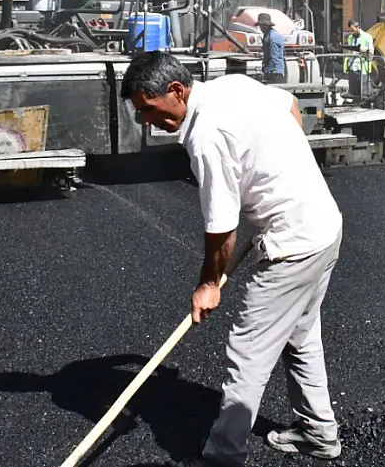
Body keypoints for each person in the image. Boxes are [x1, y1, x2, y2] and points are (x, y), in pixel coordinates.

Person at [120, 52, 343, 467]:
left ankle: (223, 456)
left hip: (293, 242)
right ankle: (317, 433)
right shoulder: (232, 86)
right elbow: (289, 106)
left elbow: (222, 225)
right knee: (300, 335)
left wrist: (208, 284)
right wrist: (281, 169)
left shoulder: (207, 135)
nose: (147, 122)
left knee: (249, 350)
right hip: (324, 224)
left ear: (176, 90)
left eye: (149, 110)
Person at [257, 13, 286, 84]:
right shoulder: (267, 35)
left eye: (261, 26)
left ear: (266, 25)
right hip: (272, 71)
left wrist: (269, 72)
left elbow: (274, 57)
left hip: (274, 72)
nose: (260, 28)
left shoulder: (272, 38)